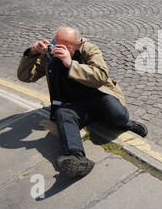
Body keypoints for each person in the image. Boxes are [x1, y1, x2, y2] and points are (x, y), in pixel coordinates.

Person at [17, 27, 148, 177]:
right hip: (74, 105)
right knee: (63, 114)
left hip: (99, 96)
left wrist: (70, 63)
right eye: (56, 43)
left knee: (117, 114)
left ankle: (128, 124)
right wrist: (31, 54)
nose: (58, 49)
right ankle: (76, 157)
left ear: (77, 45)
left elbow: (101, 75)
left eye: (66, 47)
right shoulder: (49, 55)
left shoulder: (89, 49)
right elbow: (25, 77)